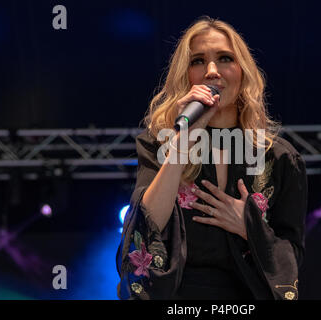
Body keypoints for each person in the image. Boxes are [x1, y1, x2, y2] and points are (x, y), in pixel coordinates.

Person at [116, 16, 308, 300]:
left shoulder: (278, 157)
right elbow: (146, 226)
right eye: (198, 62)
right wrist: (183, 140)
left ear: (242, 72)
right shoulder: (160, 144)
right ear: (186, 77)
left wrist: (249, 227)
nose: (212, 71)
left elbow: (291, 256)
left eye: (225, 58)